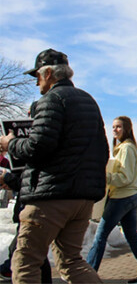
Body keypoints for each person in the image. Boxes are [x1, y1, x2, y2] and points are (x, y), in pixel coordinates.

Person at [0, 48, 108, 283]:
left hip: (51, 197)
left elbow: (38, 147)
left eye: (37, 76)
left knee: (26, 260)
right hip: (82, 198)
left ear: (48, 73)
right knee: (72, 261)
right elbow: (102, 149)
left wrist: (11, 143)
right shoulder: (88, 100)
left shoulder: (50, 100)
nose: (36, 82)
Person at [86, 116, 137, 283]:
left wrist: (105, 176)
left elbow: (124, 177)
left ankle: (87, 275)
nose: (115, 130)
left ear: (127, 129)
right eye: (113, 127)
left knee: (100, 236)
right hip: (132, 196)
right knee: (132, 236)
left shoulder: (126, 149)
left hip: (122, 197)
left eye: (119, 127)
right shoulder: (130, 148)